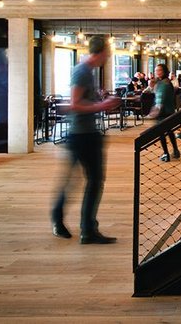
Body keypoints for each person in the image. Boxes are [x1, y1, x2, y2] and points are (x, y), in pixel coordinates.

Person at [50, 34, 121, 244]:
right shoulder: (82, 71)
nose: (109, 56)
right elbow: (74, 104)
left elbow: (82, 102)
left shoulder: (88, 72)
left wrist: (102, 101)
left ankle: (84, 227)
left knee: (85, 181)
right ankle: (85, 228)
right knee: (92, 181)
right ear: (101, 52)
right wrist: (102, 105)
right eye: (108, 52)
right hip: (82, 135)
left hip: (86, 134)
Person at [148, 63, 181, 162]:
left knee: (161, 134)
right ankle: (175, 151)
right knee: (169, 131)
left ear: (164, 71)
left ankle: (166, 154)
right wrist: (152, 87)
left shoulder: (165, 83)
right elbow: (158, 94)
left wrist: (156, 111)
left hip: (163, 112)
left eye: (159, 70)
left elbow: (161, 98)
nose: (157, 72)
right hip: (168, 111)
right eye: (156, 70)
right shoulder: (164, 82)